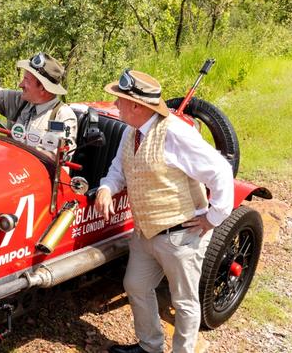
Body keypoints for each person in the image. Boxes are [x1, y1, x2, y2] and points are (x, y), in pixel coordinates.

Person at [95, 70, 234, 353]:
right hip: (146, 231)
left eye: (120, 100)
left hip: (181, 233)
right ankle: (150, 347)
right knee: (135, 285)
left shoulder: (175, 132)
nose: (116, 105)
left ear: (136, 105)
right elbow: (118, 170)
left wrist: (214, 217)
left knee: (183, 301)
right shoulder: (131, 132)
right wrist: (106, 188)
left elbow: (220, 169)